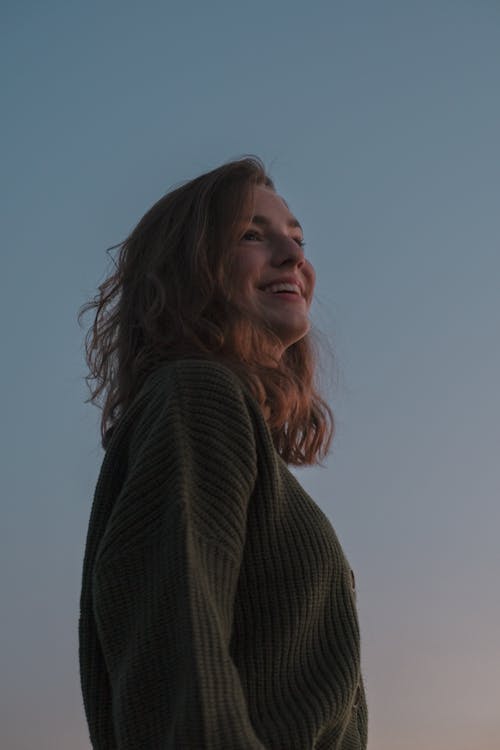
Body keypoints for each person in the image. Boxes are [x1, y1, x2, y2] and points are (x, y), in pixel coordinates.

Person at [78, 156, 367, 749]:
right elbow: (178, 660)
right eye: (251, 236)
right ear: (191, 269)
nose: (294, 258)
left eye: (297, 239)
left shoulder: (224, 416)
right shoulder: (196, 396)